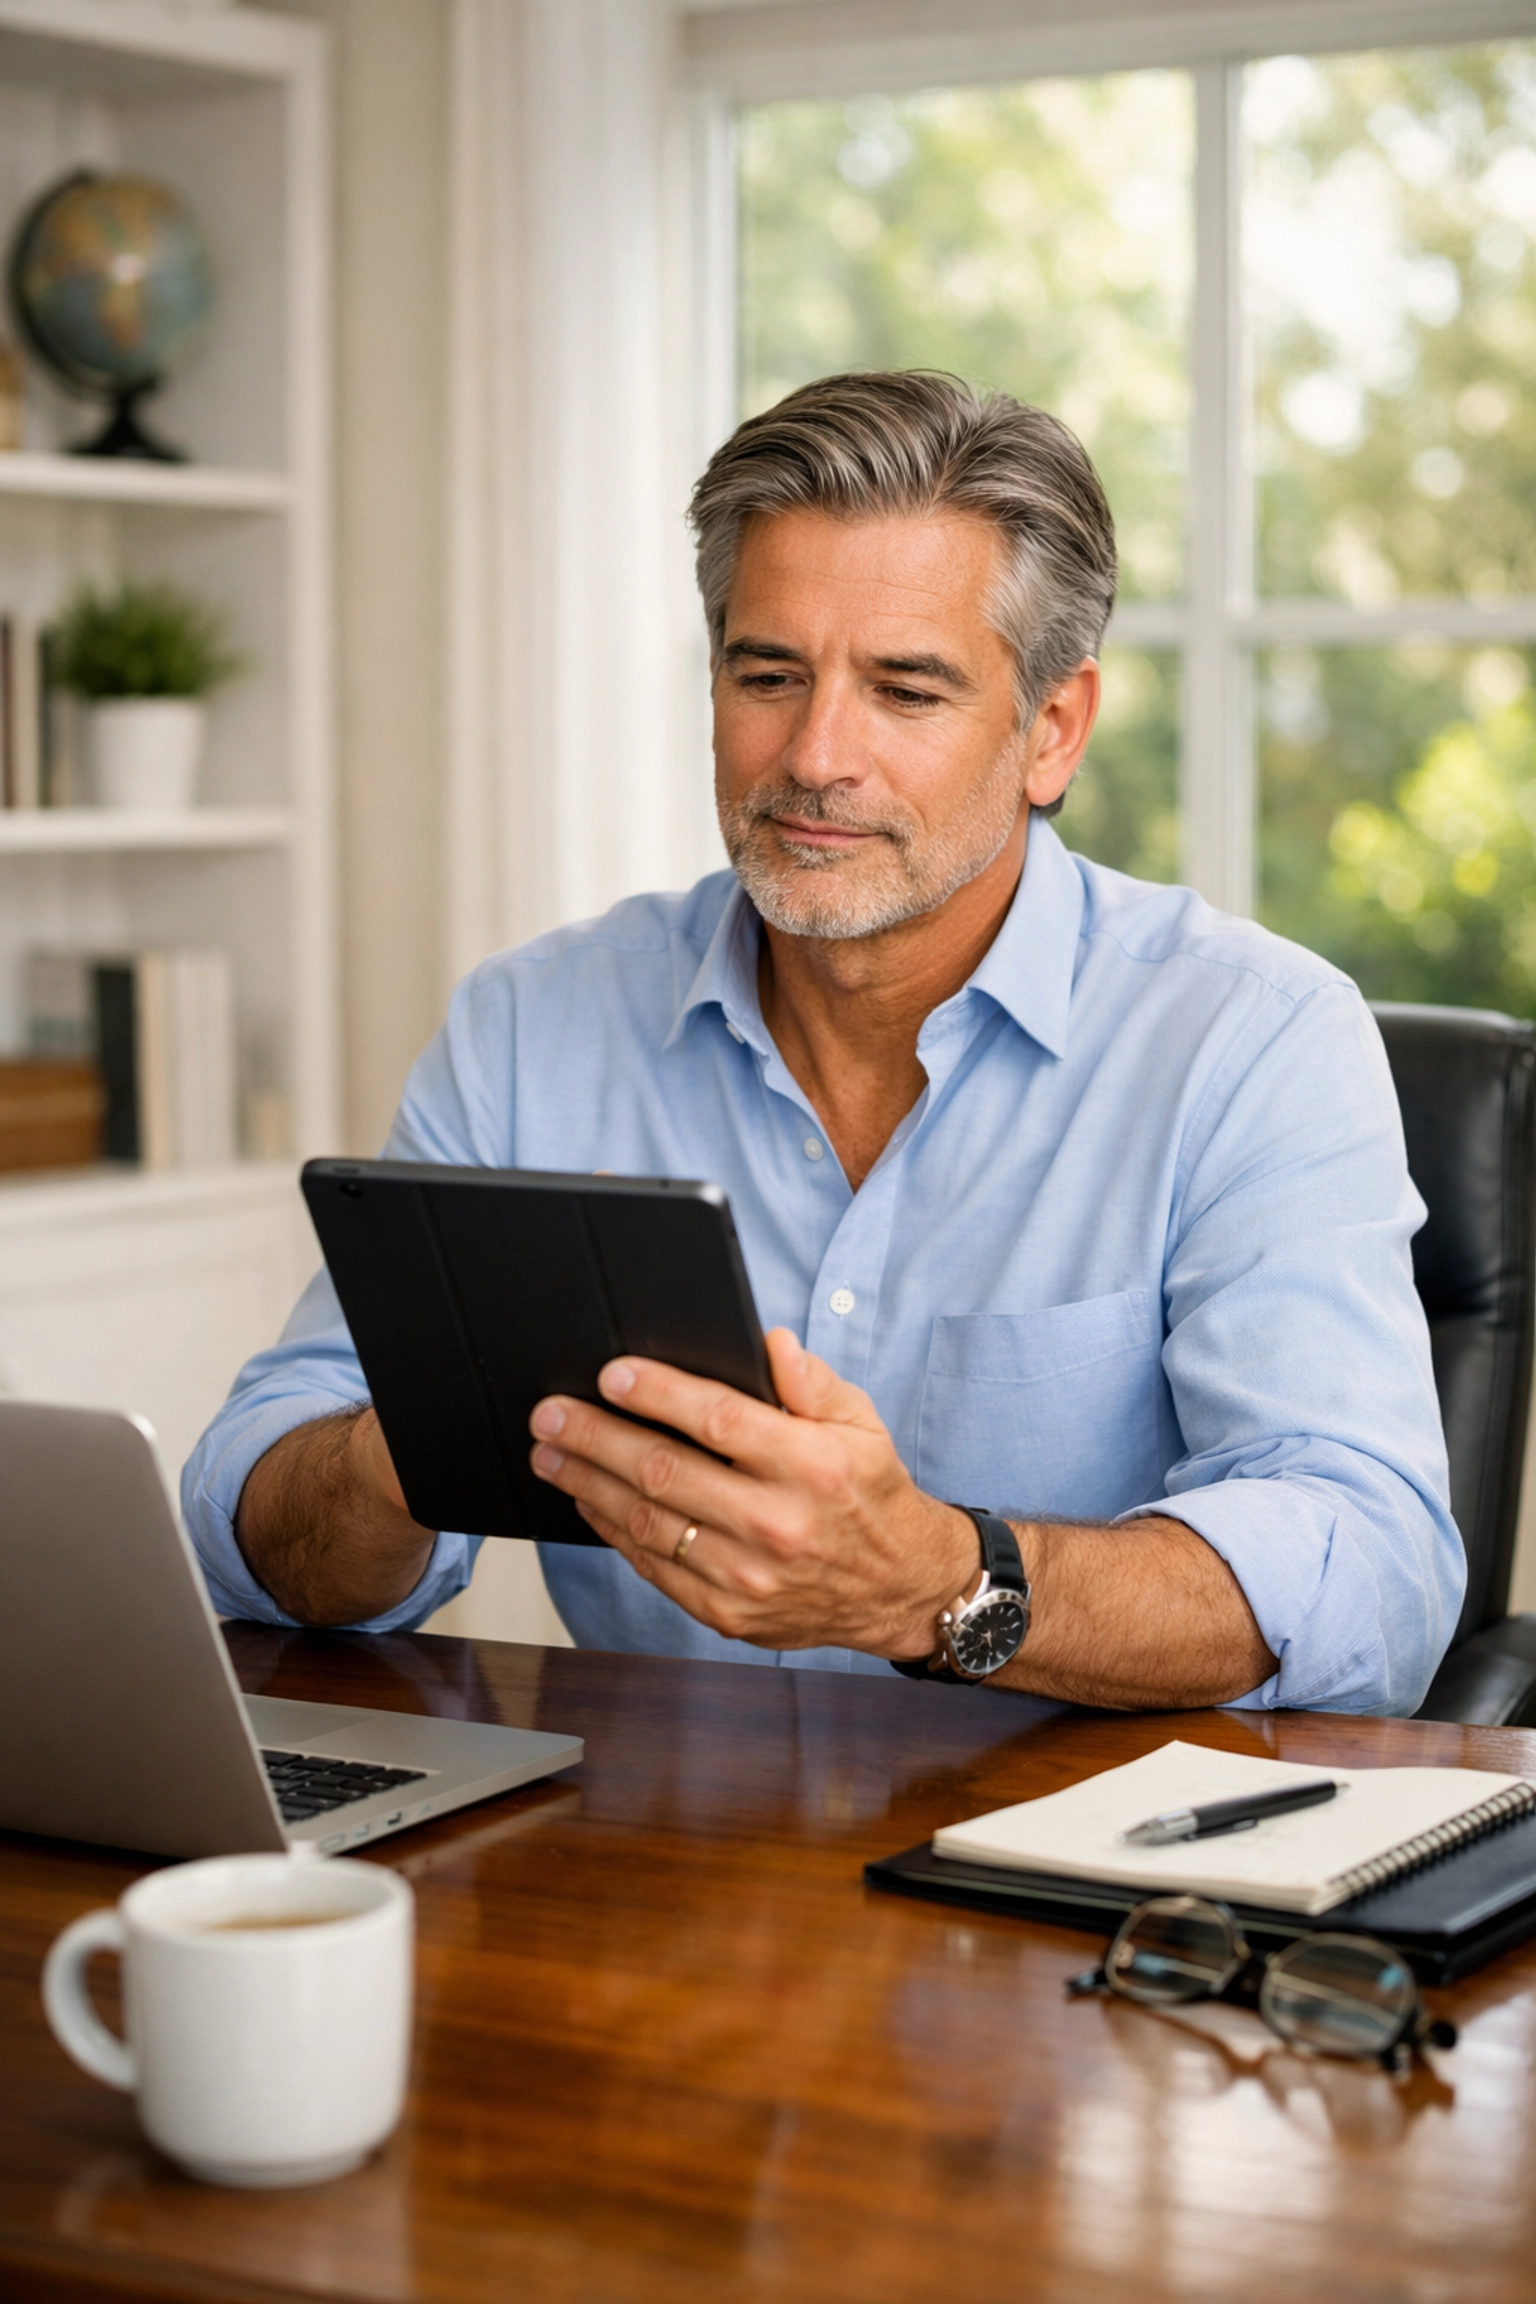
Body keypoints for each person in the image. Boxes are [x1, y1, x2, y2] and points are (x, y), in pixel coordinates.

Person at [184, 371, 1463, 1714]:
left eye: (905, 690)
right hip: (648, 1865)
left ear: (1052, 730)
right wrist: (409, 1445)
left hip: (1086, 1879)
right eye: (768, 674)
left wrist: (939, 1585)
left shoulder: (1251, 1041)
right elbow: (251, 1528)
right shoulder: (529, 1030)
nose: (814, 755)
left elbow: (1372, 1576)